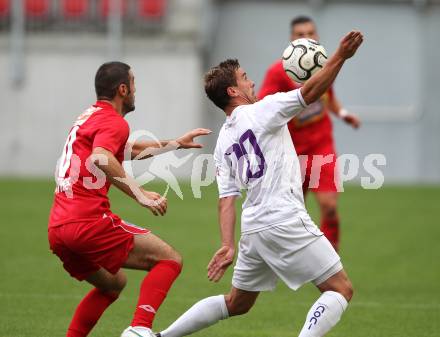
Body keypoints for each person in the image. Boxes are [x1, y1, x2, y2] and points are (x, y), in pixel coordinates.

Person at [157, 30, 363, 337]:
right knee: (340, 289)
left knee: (237, 303)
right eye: (244, 77)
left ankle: (162, 336)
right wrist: (340, 57)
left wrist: (227, 245)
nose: (251, 82)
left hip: (254, 228)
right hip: (284, 218)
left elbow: (226, 198)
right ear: (232, 91)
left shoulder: (224, 139)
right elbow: (310, 91)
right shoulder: (264, 110)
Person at [47, 61, 211, 337]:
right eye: (134, 84)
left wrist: (175, 144)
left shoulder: (90, 116)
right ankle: (139, 330)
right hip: (87, 222)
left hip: (59, 228)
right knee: (169, 259)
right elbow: (101, 157)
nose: (136, 90)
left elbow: (127, 150)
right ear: (123, 89)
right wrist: (141, 195)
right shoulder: (114, 121)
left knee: (112, 284)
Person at [258, 16, 361, 251]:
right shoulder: (278, 72)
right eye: (300, 34)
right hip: (290, 153)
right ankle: (293, 258)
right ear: (291, 39)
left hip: (321, 145)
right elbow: (265, 107)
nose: (306, 38)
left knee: (329, 206)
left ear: (317, 36)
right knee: (292, 215)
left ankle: (330, 255)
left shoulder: (323, 65)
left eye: (310, 33)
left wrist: (343, 113)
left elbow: (329, 97)